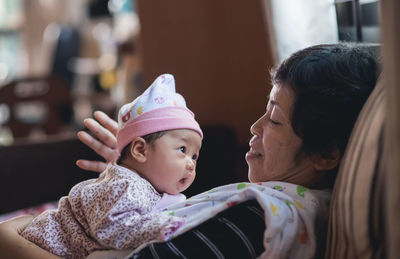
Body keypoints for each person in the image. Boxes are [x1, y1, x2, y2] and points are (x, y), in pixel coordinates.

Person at [0, 43, 380, 259]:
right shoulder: (297, 208)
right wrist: (136, 176)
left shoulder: (256, 220)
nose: (255, 127)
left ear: (327, 154)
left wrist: (8, 237)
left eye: (275, 120)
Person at [19, 74, 203, 259]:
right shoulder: (125, 185)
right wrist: (162, 226)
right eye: (182, 149)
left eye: (195, 156)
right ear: (140, 150)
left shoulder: (145, 186)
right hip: (41, 244)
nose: (191, 164)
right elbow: (112, 228)